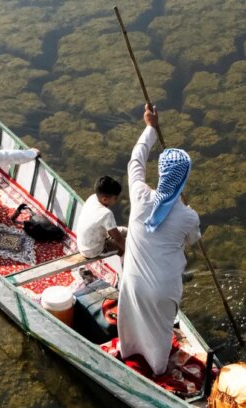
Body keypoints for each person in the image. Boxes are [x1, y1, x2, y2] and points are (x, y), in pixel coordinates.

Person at [117, 105, 201, 377]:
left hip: (132, 279)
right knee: (161, 330)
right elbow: (192, 241)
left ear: (163, 174)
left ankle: (129, 354)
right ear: (183, 179)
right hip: (164, 286)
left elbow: (136, 161)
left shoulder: (140, 195)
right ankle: (157, 368)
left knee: (130, 321)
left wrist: (150, 128)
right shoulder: (188, 216)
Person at [75, 176, 127, 258]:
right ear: (105, 200)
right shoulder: (106, 214)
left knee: (124, 230)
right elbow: (118, 239)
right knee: (126, 246)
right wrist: (131, 252)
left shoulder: (92, 198)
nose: (117, 200)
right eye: (115, 198)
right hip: (92, 251)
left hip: (83, 243)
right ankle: (124, 260)